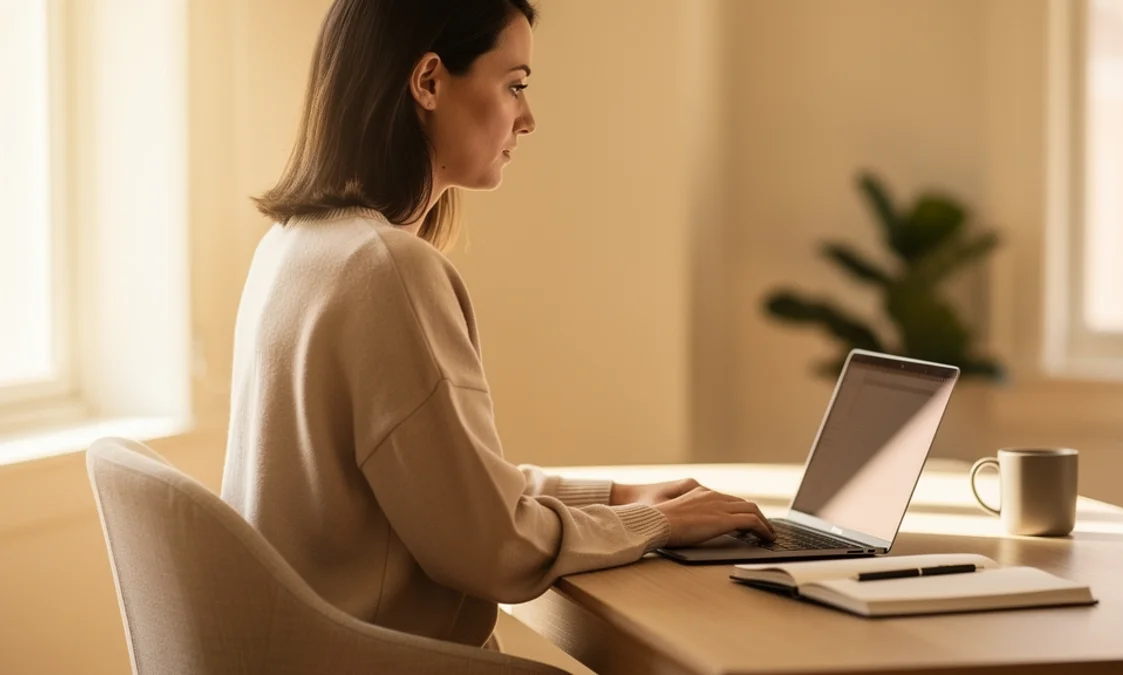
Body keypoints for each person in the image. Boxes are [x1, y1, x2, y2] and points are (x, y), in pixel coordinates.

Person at [220, 0, 775, 650]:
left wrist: (619, 493)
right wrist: (656, 523)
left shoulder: (292, 246)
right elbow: (493, 549)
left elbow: (454, 487)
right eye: (515, 85)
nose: (529, 118)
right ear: (428, 82)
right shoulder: (386, 268)